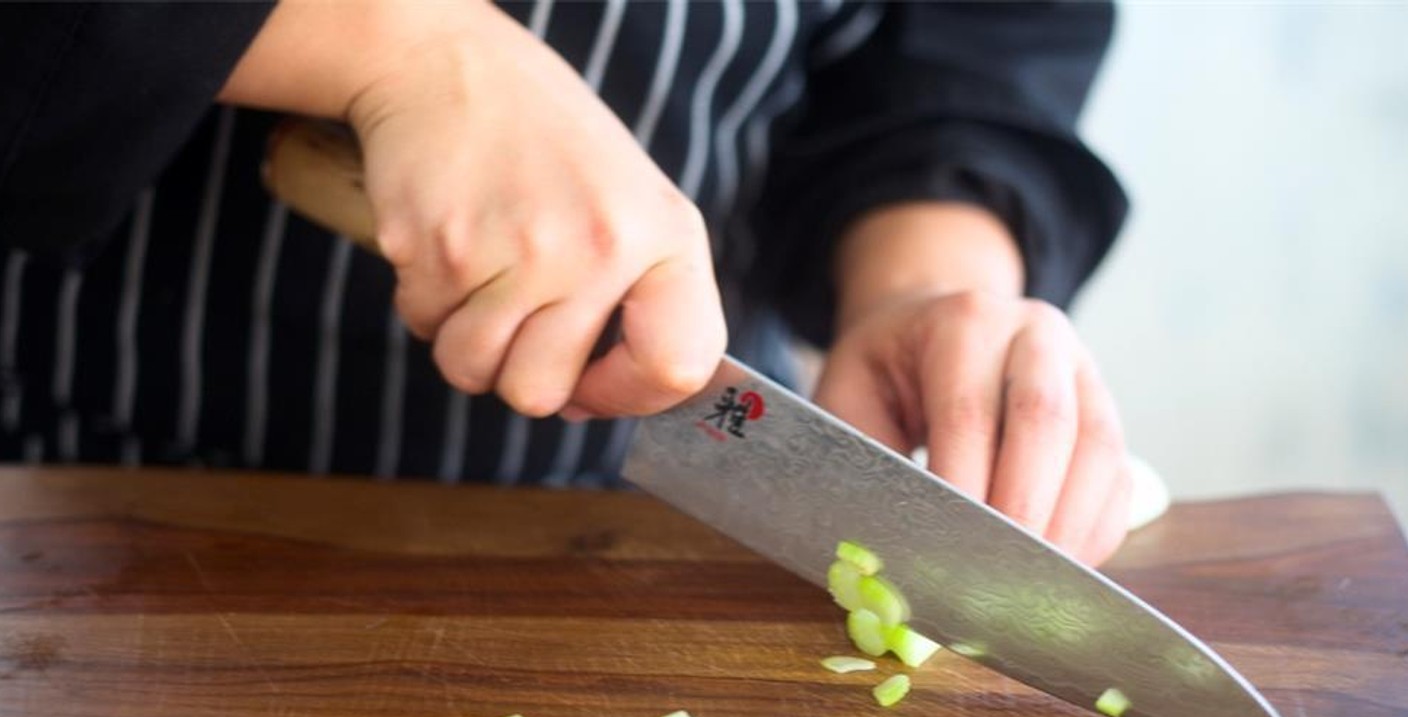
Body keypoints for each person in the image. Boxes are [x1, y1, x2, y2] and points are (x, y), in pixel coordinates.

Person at [0, 0, 1131, 563]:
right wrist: (394, 42)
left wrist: (922, 282)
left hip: (643, 545)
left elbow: (976, 30)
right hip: (75, 508)